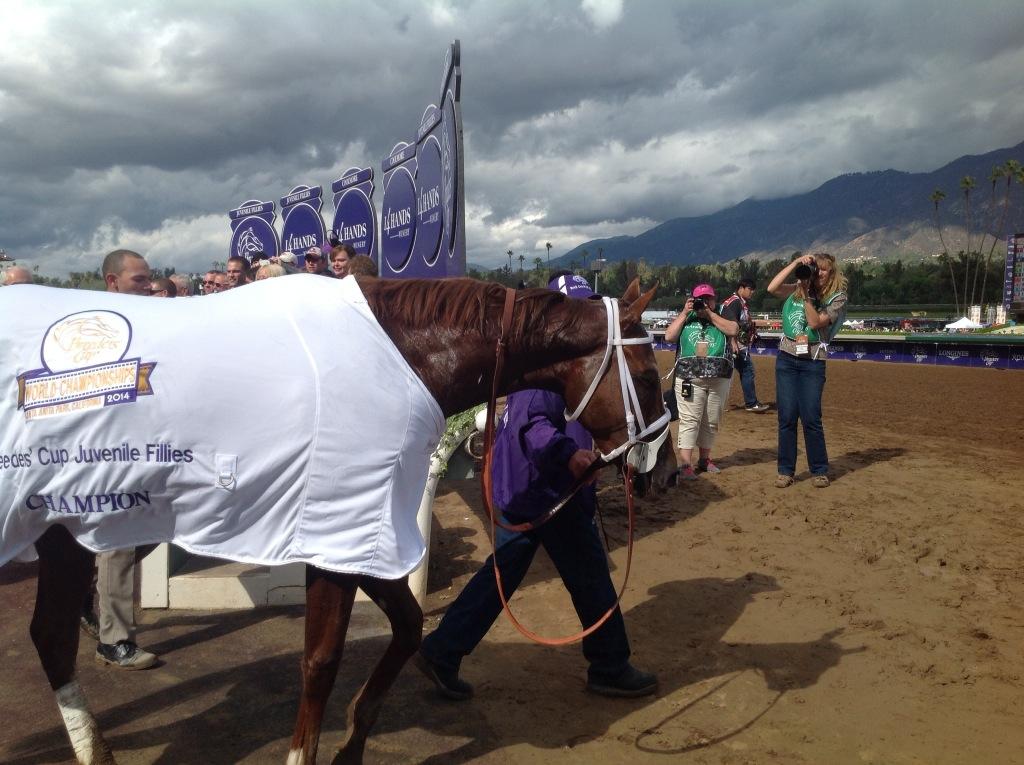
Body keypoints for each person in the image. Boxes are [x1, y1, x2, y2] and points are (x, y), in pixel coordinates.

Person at [417, 272, 658, 701]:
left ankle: (442, 650)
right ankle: (609, 663)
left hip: (543, 487)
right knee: (583, 575)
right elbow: (533, 426)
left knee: (514, 575)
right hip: (544, 490)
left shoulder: (572, 357)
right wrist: (570, 456)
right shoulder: (546, 362)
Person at [84, 249, 159, 669]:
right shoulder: (97, 326)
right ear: (113, 281)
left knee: (159, 525)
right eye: (139, 279)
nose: (148, 286)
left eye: (149, 279)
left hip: (150, 445)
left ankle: (90, 586)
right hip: (110, 447)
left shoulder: (146, 319)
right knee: (118, 539)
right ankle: (114, 641)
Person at [766, 252, 849, 489]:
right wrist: (795, 264)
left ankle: (819, 470)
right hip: (787, 359)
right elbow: (772, 288)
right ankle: (785, 471)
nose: (818, 273)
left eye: (823, 270)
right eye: (816, 269)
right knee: (787, 417)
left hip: (813, 360)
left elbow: (815, 323)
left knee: (811, 417)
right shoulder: (798, 288)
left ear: (831, 273)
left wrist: (806, 297)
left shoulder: (837, 298)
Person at [664, 283, 739, 479]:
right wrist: (684, 313)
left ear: (715, 299)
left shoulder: (724, 312)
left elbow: (733, 330)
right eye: (701, 299)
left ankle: (705, 460)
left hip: (719, 377)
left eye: (709, 299)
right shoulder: (687, 316)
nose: (705, 303)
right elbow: (669, 336)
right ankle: (686, 464)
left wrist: (710, 315)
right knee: (690, 420)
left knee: (711, 419)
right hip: (689, 377)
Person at [719, 278, 769, 412]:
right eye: (750, 289)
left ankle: (720, 403)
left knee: (729, 373)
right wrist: (733, 341)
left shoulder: (740, 302)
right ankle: (751, 403)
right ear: (741, 288)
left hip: (735, 344)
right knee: (746, 370)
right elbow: (729, 323)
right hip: (734, 345)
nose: (752, 292)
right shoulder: (735, 302)